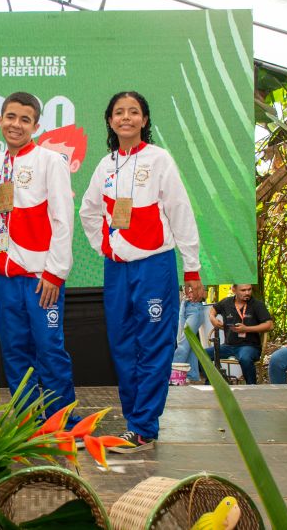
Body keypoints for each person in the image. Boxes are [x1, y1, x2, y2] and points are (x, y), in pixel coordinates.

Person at [79, 91, 203, 453]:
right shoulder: (106, 165)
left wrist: (192, 267)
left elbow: (180, 210)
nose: (126, 117)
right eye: (119, 112)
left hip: (154, 266)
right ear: (110, 120)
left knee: (153, 344)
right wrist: (105, 246)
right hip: (117, 269)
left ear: (144, 120)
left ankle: (144, 427)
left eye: (133, 112)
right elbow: (88, 211)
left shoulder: (159, 159)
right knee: (122, 345)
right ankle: (133, 423)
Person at [0, 91, 79, 425]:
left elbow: (63, 220)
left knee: (49, 349)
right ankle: (28, 423)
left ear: (36, 126)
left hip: (41, 278)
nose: (16, 125)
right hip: (5, 278)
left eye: (25, 119)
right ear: (0, 120)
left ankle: (62, 422)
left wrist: (55, 273)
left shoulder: (50, 161)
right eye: (11, 117)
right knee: (15, 352)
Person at [205, 284, 273, 385]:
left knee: (245, 358)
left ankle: (251, 386)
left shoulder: (257, 305)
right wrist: (212, 318)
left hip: (249, 346)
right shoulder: (226, 302)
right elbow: (213, 310)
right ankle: (213, 382)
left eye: (249, 289)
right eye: (243, 290)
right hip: (228, 346)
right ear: (234, 290)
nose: (247, 293)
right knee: (203, 354)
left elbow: (270, 325)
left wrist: (247, 329)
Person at [171, 294, 205, 384]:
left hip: (195, 306)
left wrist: (195, 294)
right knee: (188, 344)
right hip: (182, 305)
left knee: (184, 343)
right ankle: (192, 375)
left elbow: (204, 294)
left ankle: (172, 372)